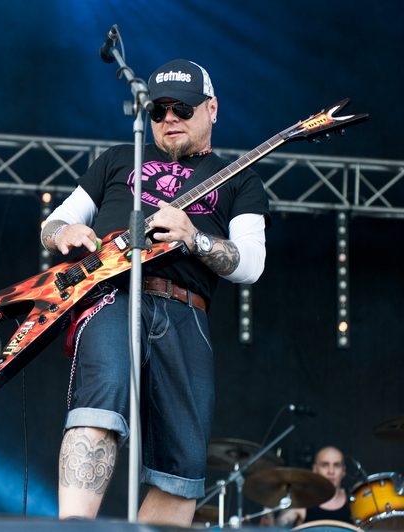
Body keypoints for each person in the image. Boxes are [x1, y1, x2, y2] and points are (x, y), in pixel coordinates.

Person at [41, 59, 270, 524]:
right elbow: (54, 221)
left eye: (182, 110)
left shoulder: (240, 179)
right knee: (100, 404)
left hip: (186, 311)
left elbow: (251, 265)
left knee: (183, 467)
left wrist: (195, 237)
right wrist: (62, 233)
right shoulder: (118, 160)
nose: (168, 119)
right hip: (111, 293)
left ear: (212, 109)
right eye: (160, 110)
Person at [275, 446, 352, 526]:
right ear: (315, 469)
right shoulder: (302, 501)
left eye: (336, 465)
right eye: (325, 465)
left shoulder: (354, 500)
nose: (331, 471)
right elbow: (278, 529)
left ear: (343, 470)